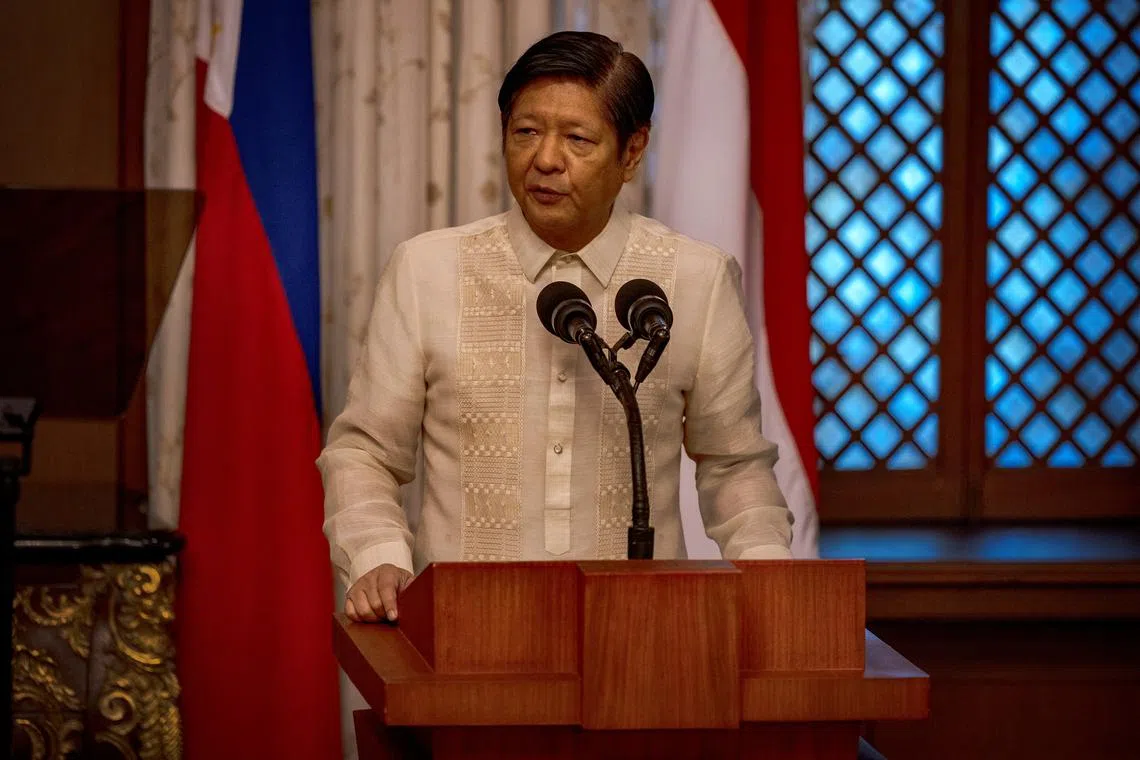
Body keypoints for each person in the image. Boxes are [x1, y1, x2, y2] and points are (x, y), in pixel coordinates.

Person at [318, 30, 793, 624]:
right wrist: (377, 555)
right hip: (466, 634)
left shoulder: (695, 279)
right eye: (525, 132)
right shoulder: (427, 271)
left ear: (632, 151)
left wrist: (770, 575)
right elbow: (366, 450)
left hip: (643, 639)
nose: (545, 159)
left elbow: (734, 464)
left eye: (577, 138)